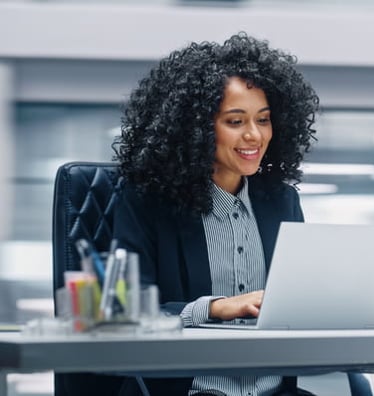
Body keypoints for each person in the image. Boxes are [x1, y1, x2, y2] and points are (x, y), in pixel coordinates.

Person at [111, 32, 320, 396]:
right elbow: (124, 314)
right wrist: (213, 308)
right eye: (235, 121)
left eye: (264, 119)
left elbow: (295, 302)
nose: (255, 135)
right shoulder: (148, 202)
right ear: (195, 129)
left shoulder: (281, 201)